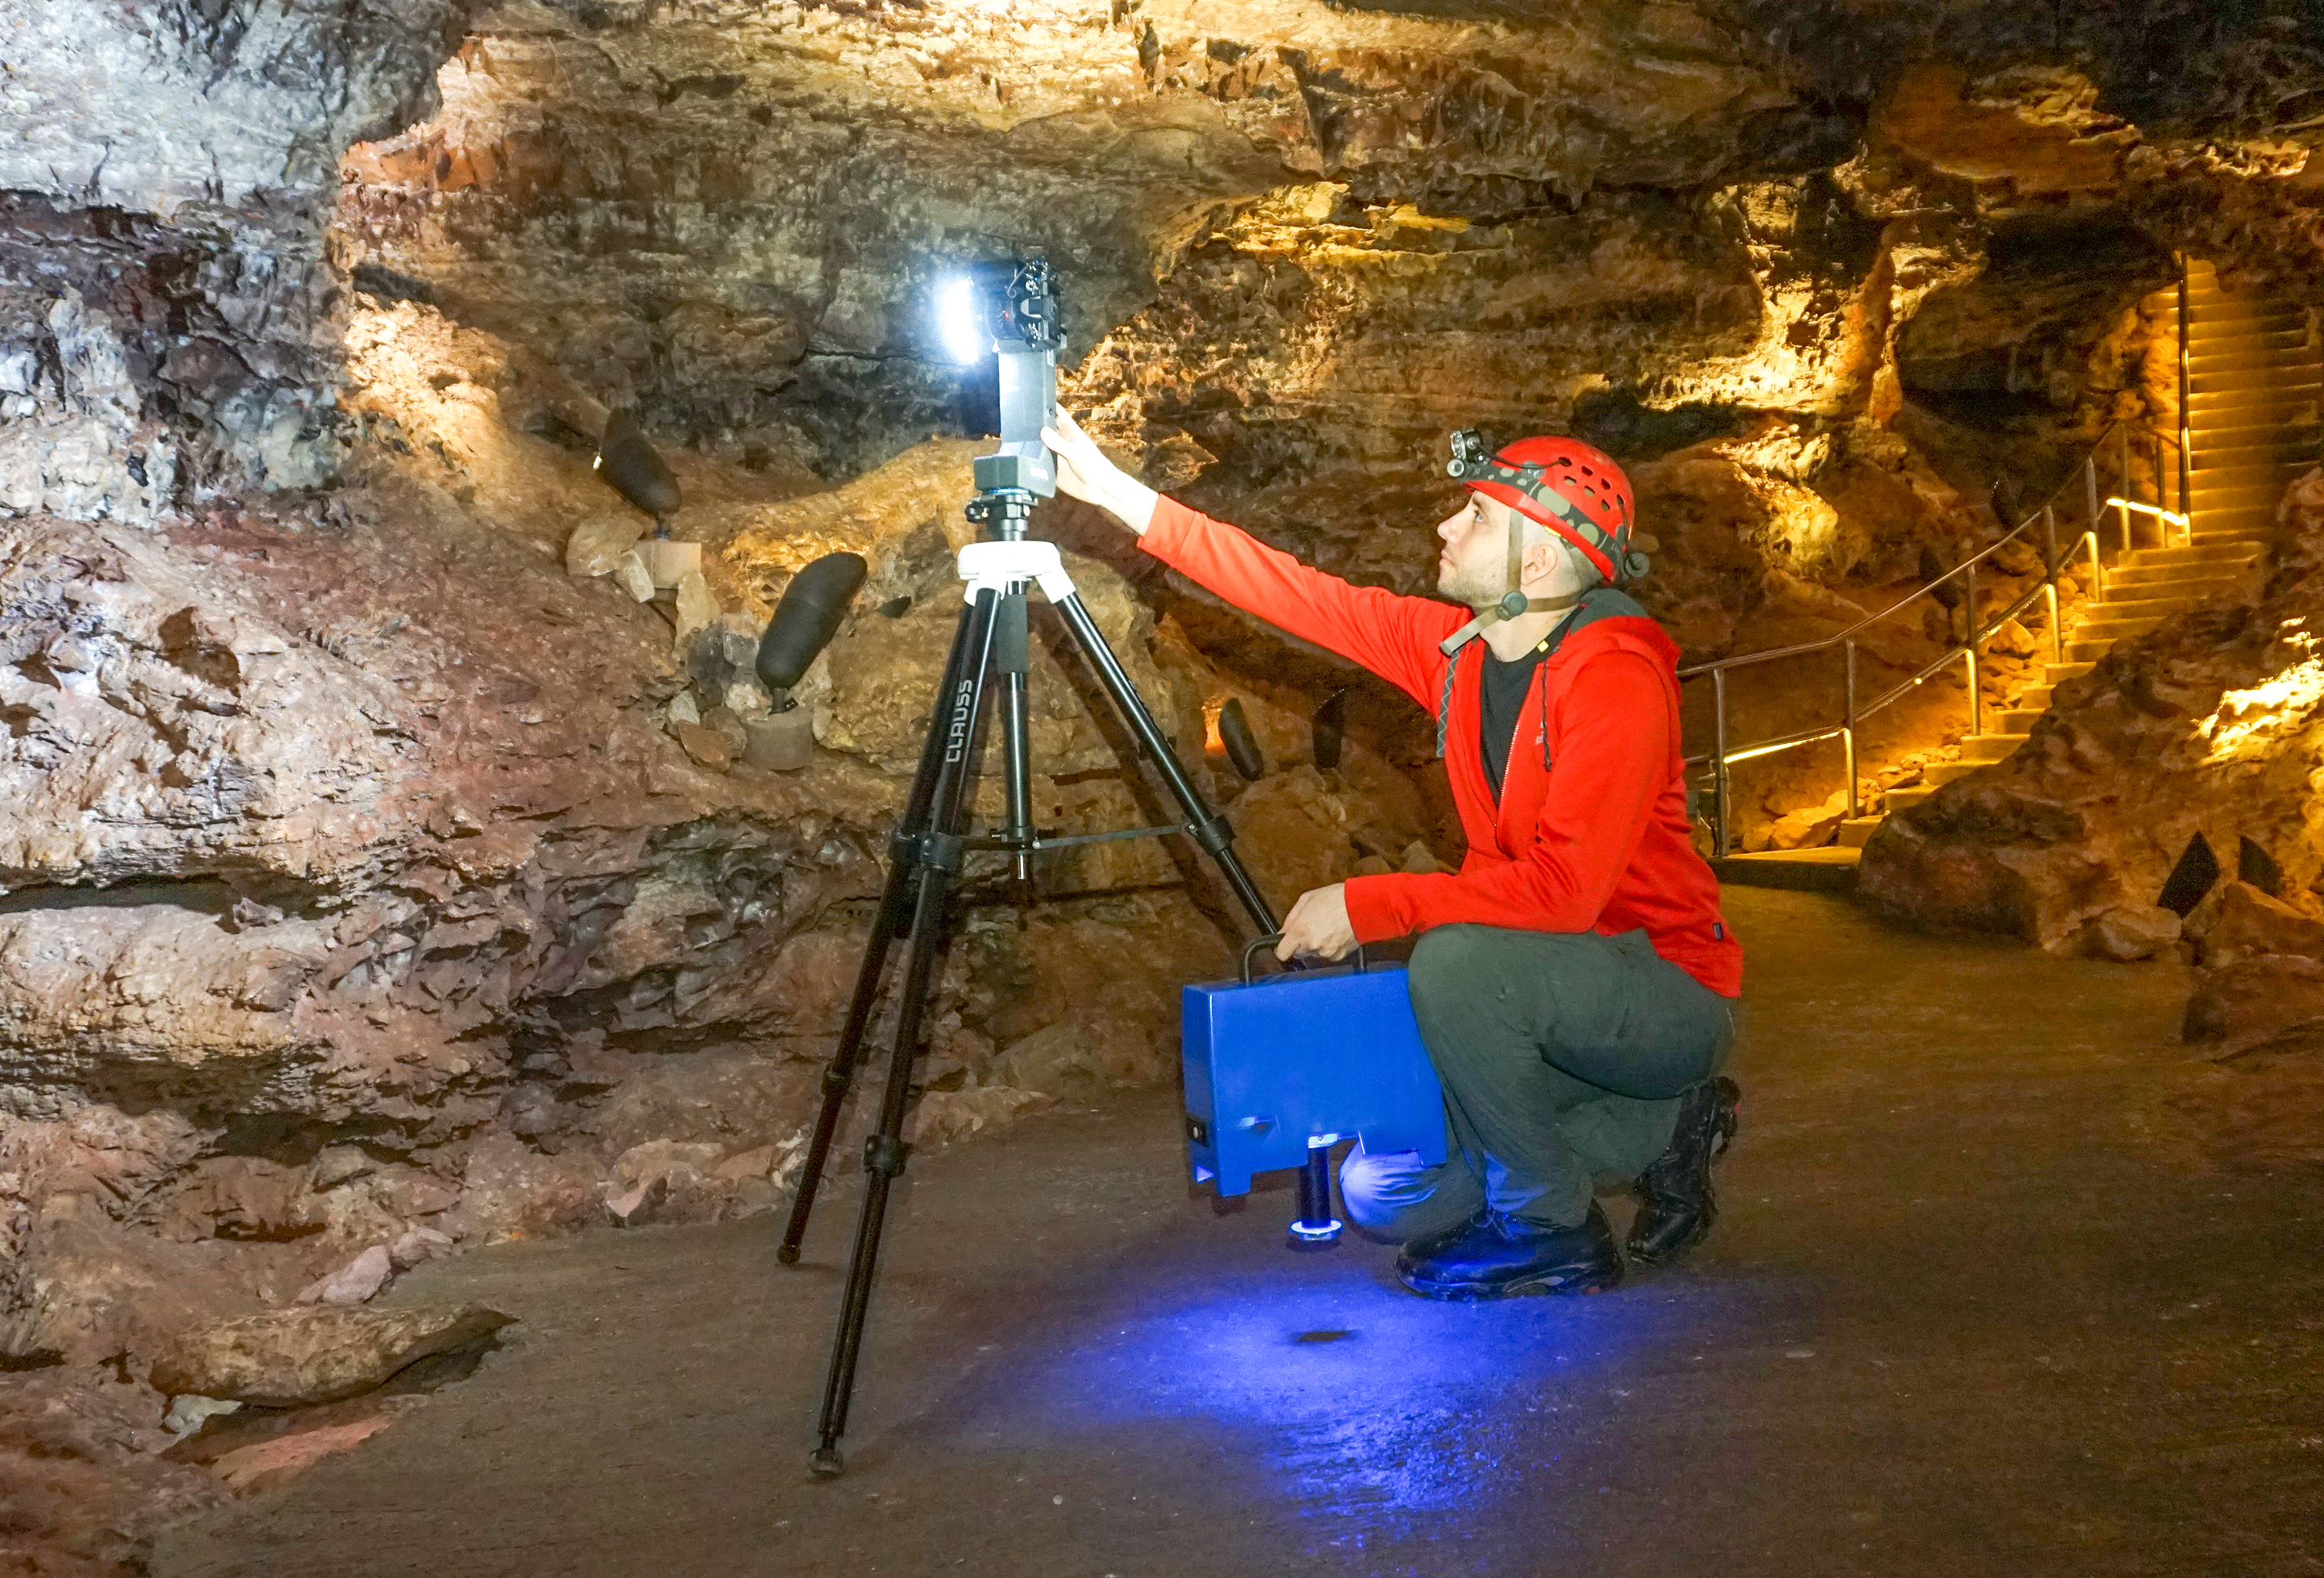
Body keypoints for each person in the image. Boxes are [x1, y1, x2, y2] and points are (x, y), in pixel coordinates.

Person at [1042, 407, 1744, 1299]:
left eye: (1478, 515)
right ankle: (1669, 1126)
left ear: (1537, 561)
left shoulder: (1615, 680)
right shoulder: (1456, 653)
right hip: (1544, 993)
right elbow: (1292, 592)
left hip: (1660, 993)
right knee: (1384, 1194)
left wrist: (1372, 904)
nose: (1447, 526)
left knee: (1451, 966)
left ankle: (1551, 1227)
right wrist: (1114, 493)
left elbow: (1566, 896)